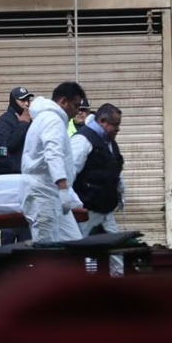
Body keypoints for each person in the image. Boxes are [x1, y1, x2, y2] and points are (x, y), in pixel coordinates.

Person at [20, 82, 86, 243]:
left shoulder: (48, 119)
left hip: (50, 192)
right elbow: (53, 154)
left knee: (73, 243)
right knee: (46, 247)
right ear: (63, 101)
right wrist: (63, 188)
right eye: (76, 106)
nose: (77, 111)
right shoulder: (53, 120)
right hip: (43, 194)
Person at [72, 103, 126, 276]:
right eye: (115, 125)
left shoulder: (110, 143)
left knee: (115, 250)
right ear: (102, 121)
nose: (118, 129)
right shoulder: (83, 140)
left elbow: (114, 168)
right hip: (86, 209)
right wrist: (71, 201)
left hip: (105, 208)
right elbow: (70, 171)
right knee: (81, 252)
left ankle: (118, 285)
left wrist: (120, 190)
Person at [0, 87, 34, 245]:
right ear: (13, 101)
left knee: (27, 233)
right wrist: (22, 124)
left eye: (28, 100)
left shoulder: (31, 119)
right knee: (9, 233)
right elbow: (8, 145)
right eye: (22, 100)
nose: (26, 104)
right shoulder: (5, 121)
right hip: (11, 183)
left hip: (27, 181)